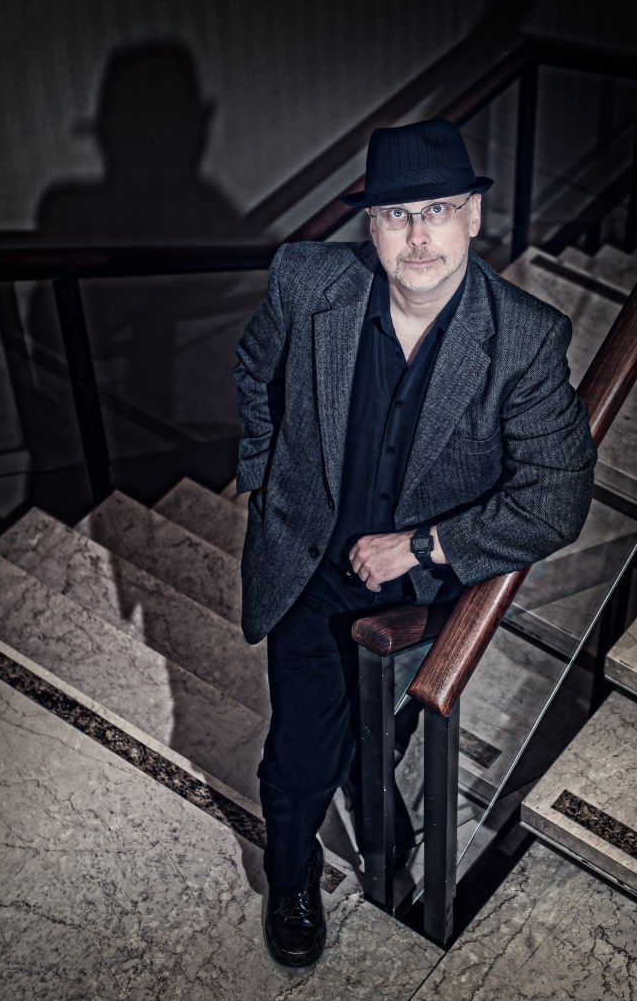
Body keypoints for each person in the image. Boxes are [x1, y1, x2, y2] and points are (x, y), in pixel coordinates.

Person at [233, 118, 596, 968]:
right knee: (300, 749)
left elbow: (556, 497)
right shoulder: (305, 283)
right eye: (398, 214)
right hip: (311, 567)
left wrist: (424, 546)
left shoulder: (524, 339)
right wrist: (262, 480)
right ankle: (289, 877)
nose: (418, 234)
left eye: (437, 209)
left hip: (421, 596)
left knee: (382, 729)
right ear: (372, 225)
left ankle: (377, 804)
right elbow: (254, 375)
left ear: (472, 215)